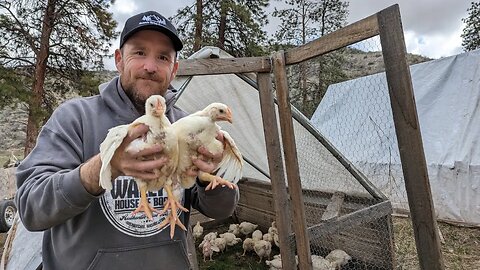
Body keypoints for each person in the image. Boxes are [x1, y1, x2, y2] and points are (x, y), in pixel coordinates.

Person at [15, 10, 239, 270]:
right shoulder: (76, 118)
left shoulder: (186, 126)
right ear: (119, 60)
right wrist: (103, 167)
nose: (150, 66)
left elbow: (222, 209)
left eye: (163, 57)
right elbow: (31, 208)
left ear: (174, 68)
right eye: (140, 53)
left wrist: (206, 176)